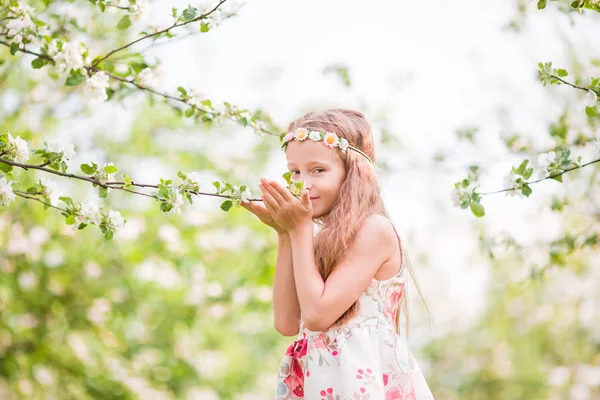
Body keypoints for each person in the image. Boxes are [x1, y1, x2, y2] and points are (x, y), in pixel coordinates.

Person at [241, 109, 434, 399]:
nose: (302, 183)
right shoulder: (314, 240)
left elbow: (318, 315)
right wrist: (284, 233)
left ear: (353, 173)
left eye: (318, 170)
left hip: (360, 383)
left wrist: (298, 231)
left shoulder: (374, 230)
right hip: (320, 383)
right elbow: (287, 322)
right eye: (295, 171)